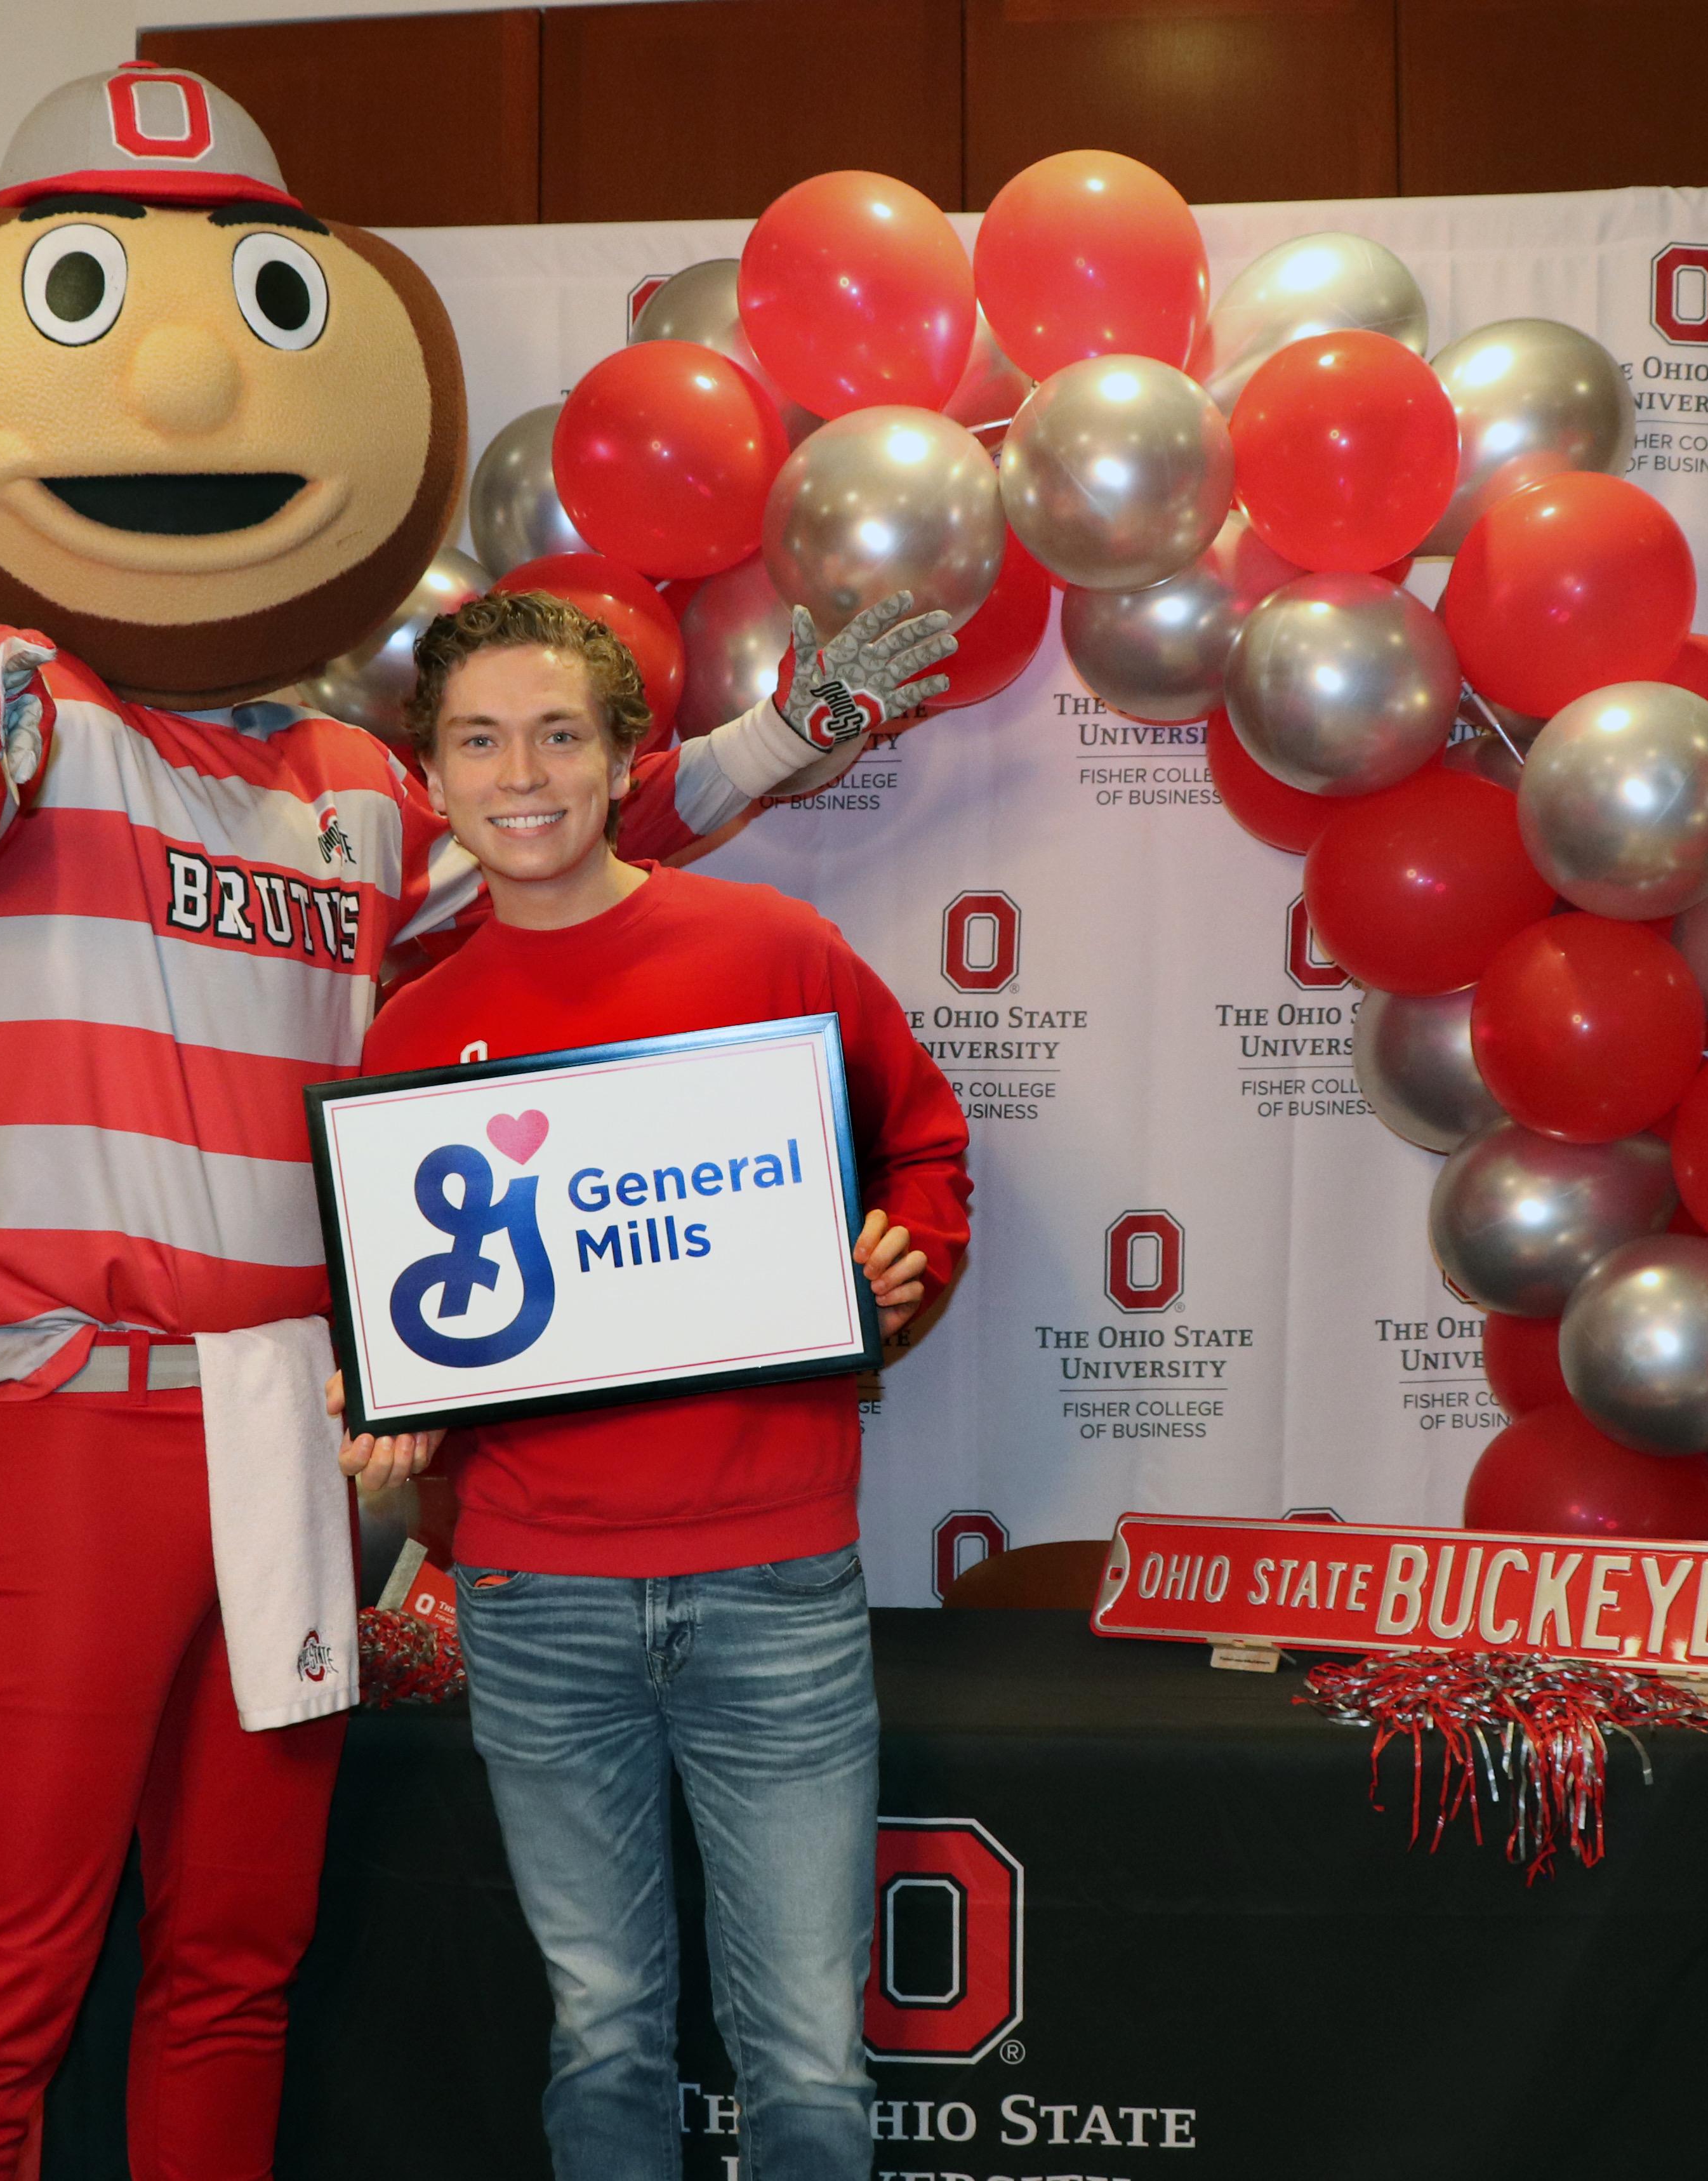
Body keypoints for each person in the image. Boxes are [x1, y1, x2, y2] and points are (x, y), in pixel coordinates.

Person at [0, 63, 955, 2181]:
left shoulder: (345, 778)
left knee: (238, 1946)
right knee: (7, 1963)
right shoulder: (10, 712)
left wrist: (792, 730)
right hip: (68, 1406)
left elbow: (556, 836)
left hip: (291, 1431)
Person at [344, 589, 972, 2181]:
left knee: (809, 2055)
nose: (524, 771)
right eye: (480, 739)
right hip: (536, 1595)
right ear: (433, 778)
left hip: (775, 1579)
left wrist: (903, 1265)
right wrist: (387, 1397)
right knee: (605, 2027)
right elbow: (406, 1316)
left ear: (627, 757)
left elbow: (923, 1142)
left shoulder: (771, 948)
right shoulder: (414, 1034)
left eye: (561, 732)